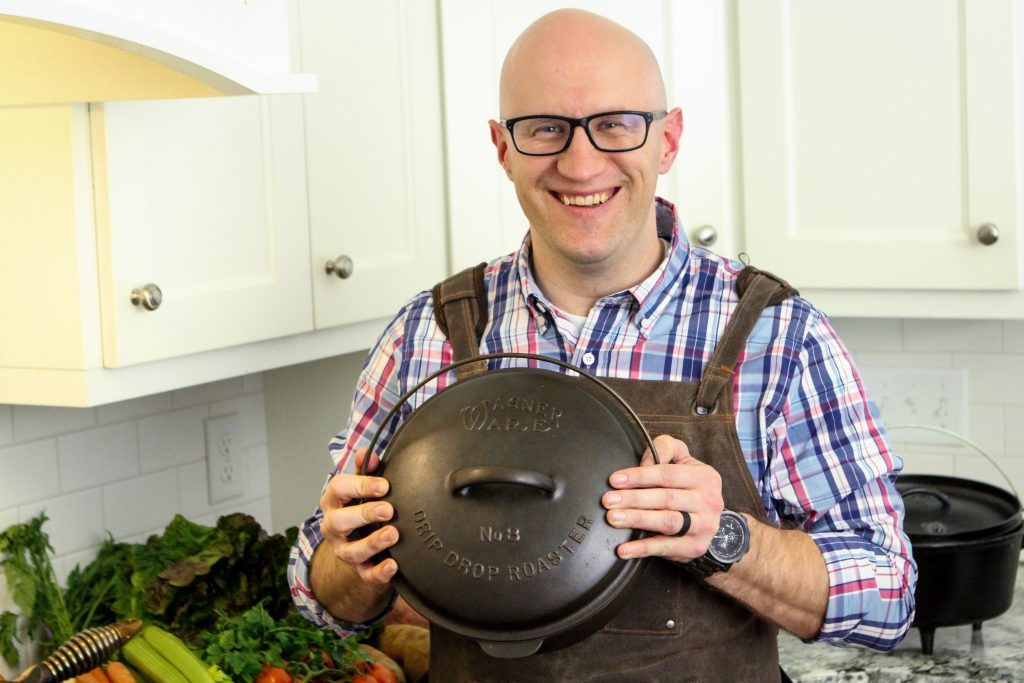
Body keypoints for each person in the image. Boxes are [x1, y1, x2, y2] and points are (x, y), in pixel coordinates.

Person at [289, 8, 916, 682]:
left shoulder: (776, 335)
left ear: (668, 140)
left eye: (615, 124)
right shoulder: (428, 333)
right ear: (503, 148)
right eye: (545, 129)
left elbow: (889, 594)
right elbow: (319, 597)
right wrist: (348, 563)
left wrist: (724, 538)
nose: (581, 162)